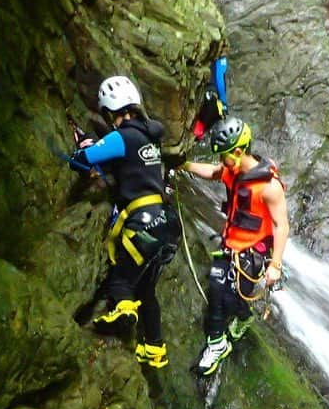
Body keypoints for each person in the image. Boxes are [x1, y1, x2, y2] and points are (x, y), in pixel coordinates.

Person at [70, 75, 180, 368]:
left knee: (121, 278)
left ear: (109, 111)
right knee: (146, 289)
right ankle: (155, 348)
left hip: (142, 222)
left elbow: (83, 158)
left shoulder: (122, 137)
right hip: (166, 225)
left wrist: (85, 149)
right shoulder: (150, 137)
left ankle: (123, 311)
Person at [181, 117, 289, 375]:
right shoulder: (232, 170)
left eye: (225, 156)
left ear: (239, 152)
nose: (222, 162)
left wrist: (275, 265)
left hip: (253, 252)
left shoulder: (268, 187)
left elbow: (281, 225)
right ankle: (217, 343)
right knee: (218, 286)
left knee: (231, 297)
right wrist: (184, 164)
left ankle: (242, 318)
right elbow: (213, 172)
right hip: (231, 243)